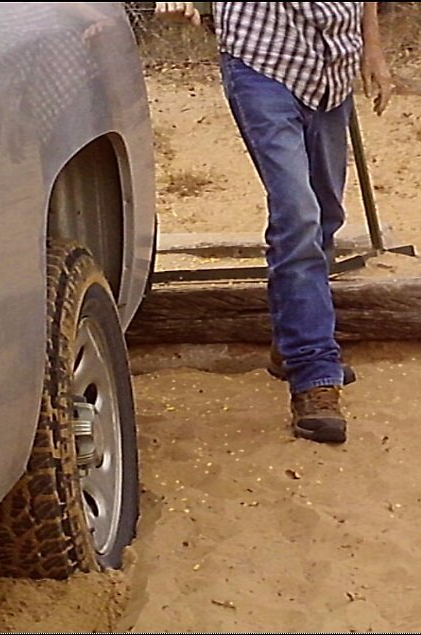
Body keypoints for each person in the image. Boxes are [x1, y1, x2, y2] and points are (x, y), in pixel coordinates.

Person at [156, 2, 393, 444]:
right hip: (263, 61)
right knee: (298, 214)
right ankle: (314, 374)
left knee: (324, 217)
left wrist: (372, 50)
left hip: (332, 70)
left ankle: (291, 345)